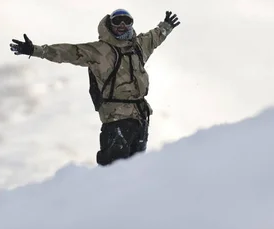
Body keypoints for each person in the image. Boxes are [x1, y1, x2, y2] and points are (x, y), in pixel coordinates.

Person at [9, 9, 180, 166]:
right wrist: (35, 50)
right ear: (109, 25)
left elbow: (154, 37)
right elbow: (67, 52)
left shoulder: (138, 46)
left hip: (141, 118)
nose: (122, 25)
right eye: (117, 21)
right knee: (114, 170)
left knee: (136, 170)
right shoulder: (99, 51)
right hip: (116, 119)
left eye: (126, 21)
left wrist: (166, 26)